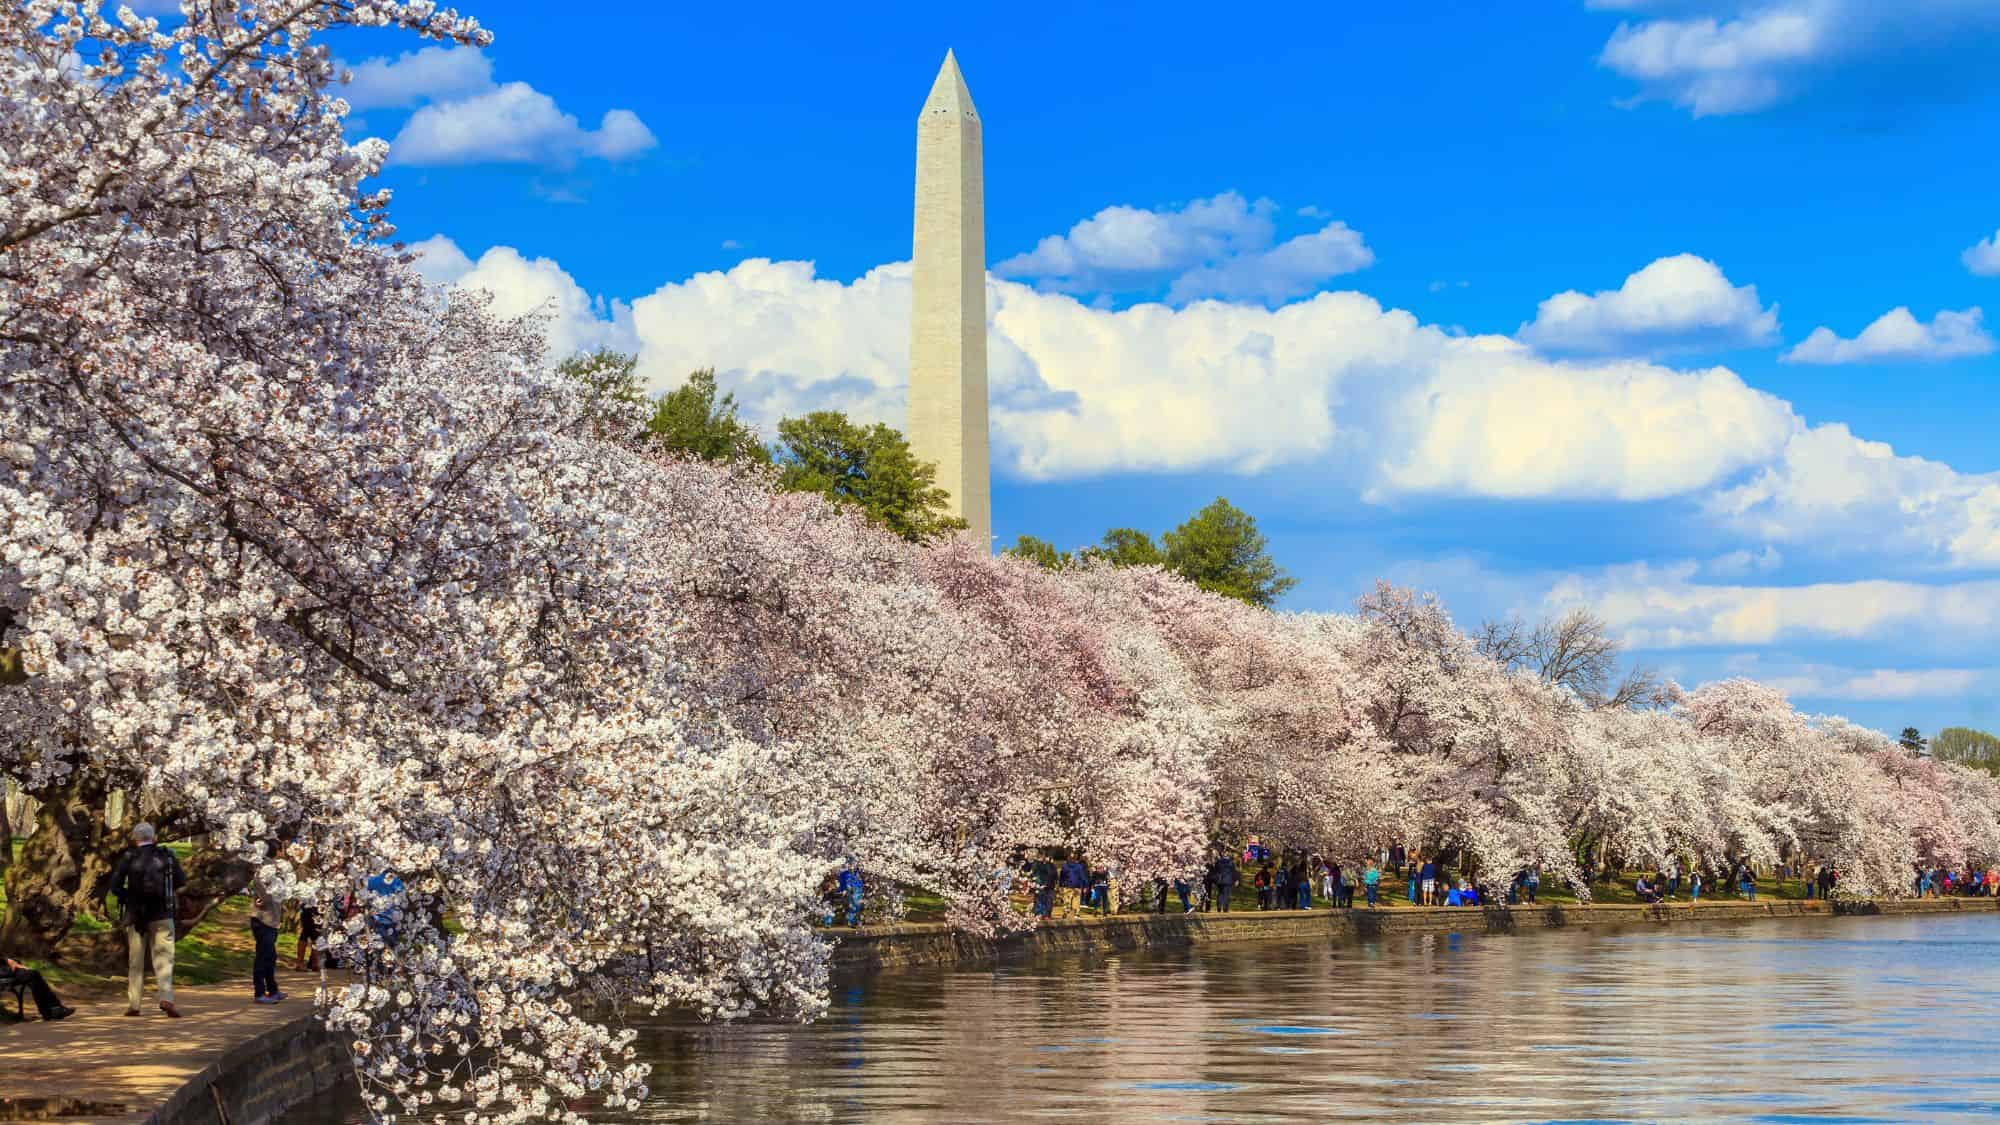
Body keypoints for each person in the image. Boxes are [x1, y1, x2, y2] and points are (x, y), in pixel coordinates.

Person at [105, 821, 185, 1018]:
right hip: (162, 913)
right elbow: (181, 881)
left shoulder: (129, 857)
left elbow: (114, 886)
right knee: (165, 958)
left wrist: (128, 897)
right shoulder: (166, 855)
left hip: (135, 915)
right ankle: (166, 997)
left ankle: (134, 1004)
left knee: (136, 961)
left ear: (135, 838)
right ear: (153, 837)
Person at [250, 871, 287, 1004]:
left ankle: (273, 990)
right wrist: (264, 899)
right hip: (263, 920)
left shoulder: (275, 870)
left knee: (270, 956)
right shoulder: (263, 870)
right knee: (263, 956)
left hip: (272, 921)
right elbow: (264, 893)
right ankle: (259, 993)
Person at [2, 954, 72, 1021]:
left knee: (34, 977)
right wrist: (13, 964)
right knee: (33, 975)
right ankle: (51, 1009)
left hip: (7, 970)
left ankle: (50, 1010)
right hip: (5, 973)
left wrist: (11, 962)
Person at [1058, 853, 1089, 919]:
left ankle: (1066, 913)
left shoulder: (1065, 866)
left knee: (1067, 899)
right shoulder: (1079, 866)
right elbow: (1082, 876)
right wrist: (1085, 885)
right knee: (1076, 900)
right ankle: (1076, 913)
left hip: (1067, 885)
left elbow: (1062, 877)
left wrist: (1061, 885)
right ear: (1075, 859)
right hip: (1077, 885)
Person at [837, 862, 867, 927]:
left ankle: (854, 921)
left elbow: (861, 882)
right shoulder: (846, 874)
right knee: (853, 905)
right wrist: (846, 889)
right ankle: (852, 922)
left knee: (857, 906)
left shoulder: (858, 873)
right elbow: (845, 882)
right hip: (852, 890)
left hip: (858, 890)